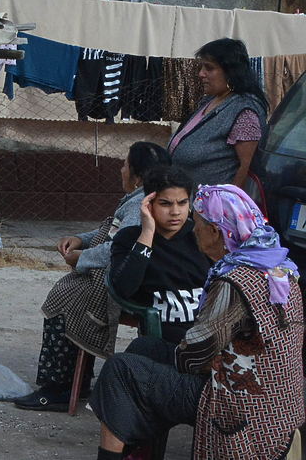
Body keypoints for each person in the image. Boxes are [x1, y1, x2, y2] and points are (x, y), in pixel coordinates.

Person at [91, 184, 303, 460]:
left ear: (216, 232)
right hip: (277, 401)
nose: (193, 229)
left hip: (239, 405)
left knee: (120, 370)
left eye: (199, 223)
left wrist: (193, 357)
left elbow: (193, 356)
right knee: (146, 347)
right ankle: (140, 451)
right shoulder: (278, 267)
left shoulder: (234, 282)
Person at [13, 142, 171, 412]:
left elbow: (118, 249)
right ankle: (76, 381)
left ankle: (59, 388)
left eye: (125, 165)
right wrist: (79, 240)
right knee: (68, 290)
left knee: (67, 298)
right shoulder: (136, 201)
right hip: (119, 272)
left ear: (138, 176)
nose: (121, 170)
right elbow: (112, 234)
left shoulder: (141, 206)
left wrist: (82, 258)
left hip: (127, 282)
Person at [107, 166, 215, 346]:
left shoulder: (202, 236)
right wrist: (148, 232)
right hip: (162, 340)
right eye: (165, 203)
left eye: (182, 203)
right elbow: (123, 288)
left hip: (208, 336)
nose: (175, 212)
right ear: (148, 204)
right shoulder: (129, 239)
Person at [167, 38, 269, 186]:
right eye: (202, 67)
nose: (201, 74)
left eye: (209, 68)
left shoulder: (244, 112)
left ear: (230, 72)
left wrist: (229, 203)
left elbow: (248, 168)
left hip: (212, 206)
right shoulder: (210, 101)